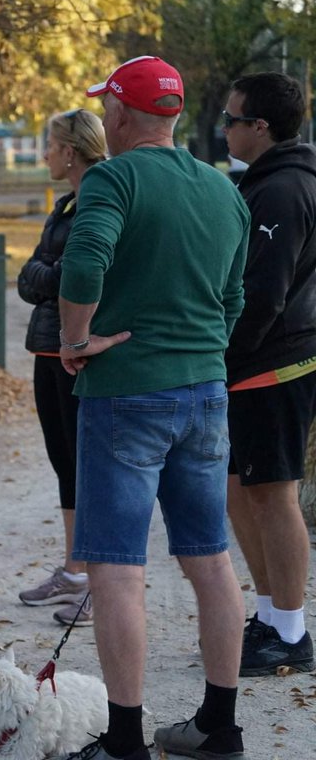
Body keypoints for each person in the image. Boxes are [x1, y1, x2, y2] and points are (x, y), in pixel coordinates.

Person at [57, 56, 250, 760]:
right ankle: (220, 727)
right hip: (204, 391)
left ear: (119, 113)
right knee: (211, 561)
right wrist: (203, 351)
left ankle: (127, 741)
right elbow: (234, 295)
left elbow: (84, 262)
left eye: (107, 105)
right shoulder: (221, 187)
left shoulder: (113, 176)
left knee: (115, 569)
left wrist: (76, 338)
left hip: (125, 392)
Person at [221, 71, 316, 677]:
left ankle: (292, 629)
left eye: (231, 119)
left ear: (261, 127)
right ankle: (266, 614)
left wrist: (224, 354)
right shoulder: (265, 181)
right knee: (239, 492)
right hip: (257, 361)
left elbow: (263, 293)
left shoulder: (283, 189)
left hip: (274, 361)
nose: (224, 127)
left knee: (274, 494)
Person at [16, 109, 106, 626]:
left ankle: (101, 582)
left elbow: (80, 272)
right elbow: (31, 278)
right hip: (46, 349)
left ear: (70, 150)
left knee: (90, 469)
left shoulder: (101, 197)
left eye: (50, 144)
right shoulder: (66, 202)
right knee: (64, 465)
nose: (45, 153)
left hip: (79, 354)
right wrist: (49, 275)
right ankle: (75, 572)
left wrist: (47, 275)